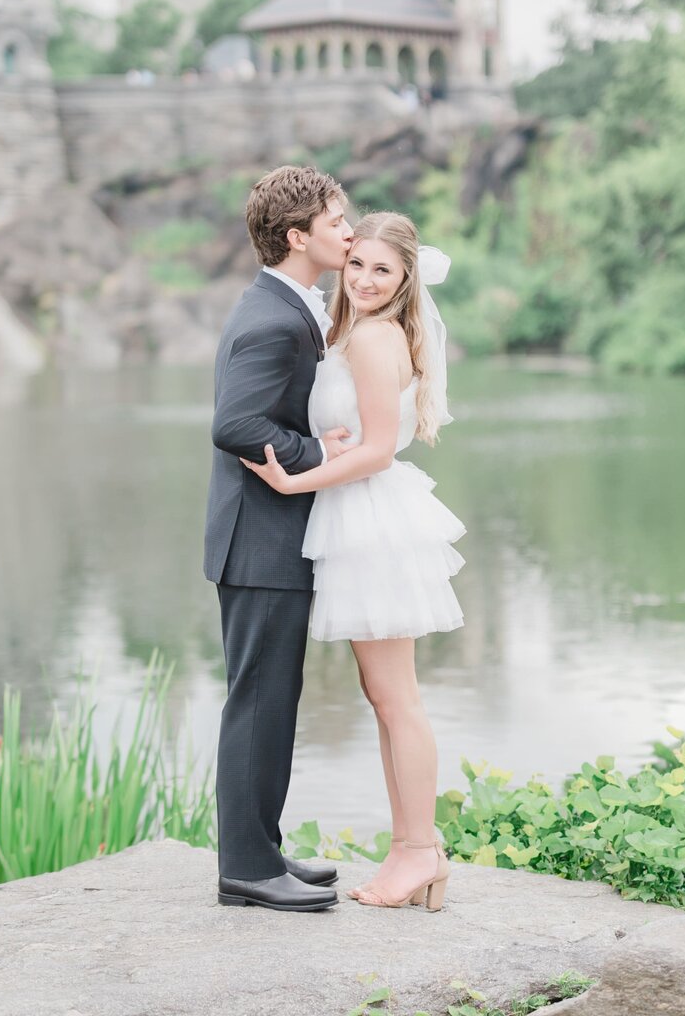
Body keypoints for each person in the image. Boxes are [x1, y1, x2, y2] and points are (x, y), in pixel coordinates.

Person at [241, 211, 466, 911]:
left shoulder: (372, 337)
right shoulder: (351, 333)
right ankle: (411, 849)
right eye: (359, 263)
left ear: (405, 281)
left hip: (371, 519)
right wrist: (324, 443)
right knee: (384, 695)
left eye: (383, 270)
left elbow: (377, 449)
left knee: (396, 697)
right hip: (359, 514)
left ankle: (418, 851)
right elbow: (356, 435)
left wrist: (292, 479)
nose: (365, 279)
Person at [204, 164, 354, 912]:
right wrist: (319, 453)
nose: (349, 232)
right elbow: (235, 425)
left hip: (268, 540)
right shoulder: (271, 316)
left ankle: (260, 848)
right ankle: (246, 868)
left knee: (271, 698)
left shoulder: (285, 303)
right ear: (298, 237)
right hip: (260, 541)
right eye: (337, 223)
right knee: (258, 700)